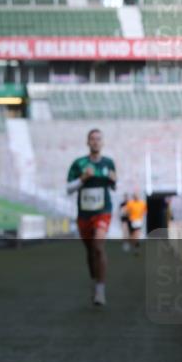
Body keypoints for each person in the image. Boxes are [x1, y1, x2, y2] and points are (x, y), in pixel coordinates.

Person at [66, 128, 118, 306]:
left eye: (98, 139)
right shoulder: (79, 163)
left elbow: (113, 187)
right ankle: (95, 281)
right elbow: (68, 189)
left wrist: (113, 180)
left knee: (98, 246)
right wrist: (82, 179)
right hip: (84, 213)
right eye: (92, 139)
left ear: (103, 143)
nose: (95, 142)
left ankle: (101, 290)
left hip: (103, 210)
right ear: (87, 142)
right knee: (90, 252)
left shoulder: (109, 162)